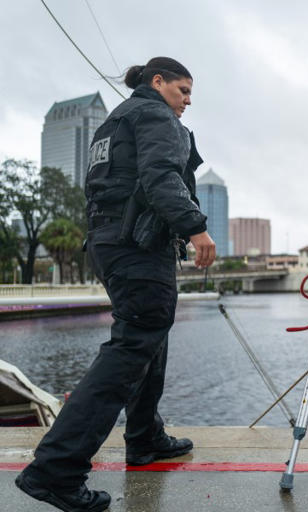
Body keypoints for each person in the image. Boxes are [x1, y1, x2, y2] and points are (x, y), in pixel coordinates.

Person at [15, 56, 216, 512]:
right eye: (183, 90)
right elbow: (161, 176)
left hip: (110, 242)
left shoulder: (113, 121)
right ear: (157, 81)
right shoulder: (154, 115)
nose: (187, 101)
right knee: (132, 344)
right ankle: (55, 470)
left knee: (150, 335)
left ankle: (144, 437)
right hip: (137, 247)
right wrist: (196, 227)